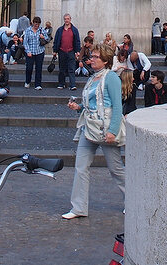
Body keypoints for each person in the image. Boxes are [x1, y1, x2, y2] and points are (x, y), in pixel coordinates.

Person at [63, 42, 125, 219]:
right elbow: (92, 104)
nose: (91, 59)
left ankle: (132, 199)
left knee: (116, 169)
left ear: (105, 60)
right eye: (91, 56)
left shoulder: (111, 78)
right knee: (81, 167)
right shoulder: (93, 78)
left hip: (105, 129)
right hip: (89, 128)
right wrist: (78, 107)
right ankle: (78, 207)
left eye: (95, 57)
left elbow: (117, 107)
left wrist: (112, 130)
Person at [55, 13, 81, 91]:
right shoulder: (60, 30)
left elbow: (77, 41)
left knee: (71, 69)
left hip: (71, 51)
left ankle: (72, 84)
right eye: (65, 19)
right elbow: (56, 40)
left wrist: (77, 51)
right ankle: (61, 83)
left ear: (70, 19)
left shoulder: (74, 30)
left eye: (68, 19)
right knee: (62, 69)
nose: (66, 20)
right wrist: (55, 50)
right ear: (64, 20)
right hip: (62, 51)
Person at [23, 16, 45, 90]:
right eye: (36, 24)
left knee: (39, 68)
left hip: (40, 51)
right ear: (33, 23)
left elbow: (48, 38)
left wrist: (43, 37)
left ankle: (38, 84)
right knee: (29, 68)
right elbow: (25, 42)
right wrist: (28, 51)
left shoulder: (41, 30)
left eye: (38, 24)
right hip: (30, 51)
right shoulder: (28, 30)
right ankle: (27, 81)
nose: (37, 26)